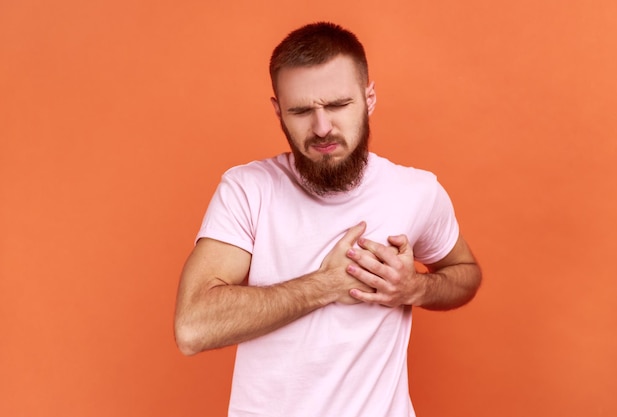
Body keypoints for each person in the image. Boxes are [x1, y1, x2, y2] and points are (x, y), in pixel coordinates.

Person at [174, 21, 482, 417]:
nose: (322, 128)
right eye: (301, 111)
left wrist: (414, 289)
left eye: (338, 105)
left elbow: (465, 273)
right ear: (277, 111)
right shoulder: (248, 190)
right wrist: (325, 285)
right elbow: (192, 328)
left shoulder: (417, 191)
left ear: (369, 97)